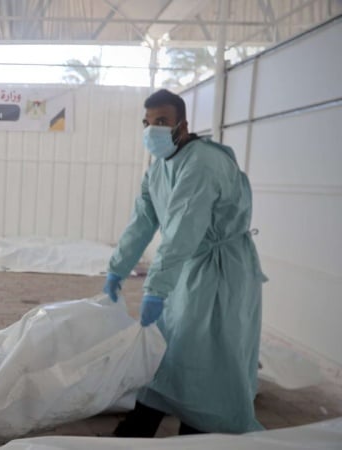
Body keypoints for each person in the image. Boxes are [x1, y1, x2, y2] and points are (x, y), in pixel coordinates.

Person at [103, 89, 266, 436]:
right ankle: (139, 427)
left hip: (218, 271)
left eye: (162, 121)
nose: (153, 131)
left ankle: (196, 434)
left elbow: (182, 229)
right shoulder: (159, 169)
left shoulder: (202, 163)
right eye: (148, 123)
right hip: (186, 268)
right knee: (166, 350)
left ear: (183, 124)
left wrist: (156, 288)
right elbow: (142, 220)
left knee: (203, 356)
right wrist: (117, 267)